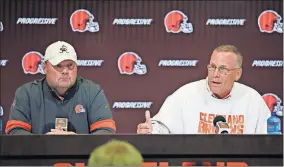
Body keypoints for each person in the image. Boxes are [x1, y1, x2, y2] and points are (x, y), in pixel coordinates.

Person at [137, 45, 271, 134]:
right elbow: (161, 128)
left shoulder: (253, 100)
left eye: (223, 69)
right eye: (212, 67)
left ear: (237, 74)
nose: (215, 74)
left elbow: (269, 142)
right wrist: (150, 130)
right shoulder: (186, 94)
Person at [5, 41, 116, 135]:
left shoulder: (93, 92)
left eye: (70, 65)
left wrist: (76, 143)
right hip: (38, 160)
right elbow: (15, 132)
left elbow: (106, 132)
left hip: (81, 160)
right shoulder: (26, 93)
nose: (65, 71)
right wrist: (45, 144)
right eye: (58, 66)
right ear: (44, 67)